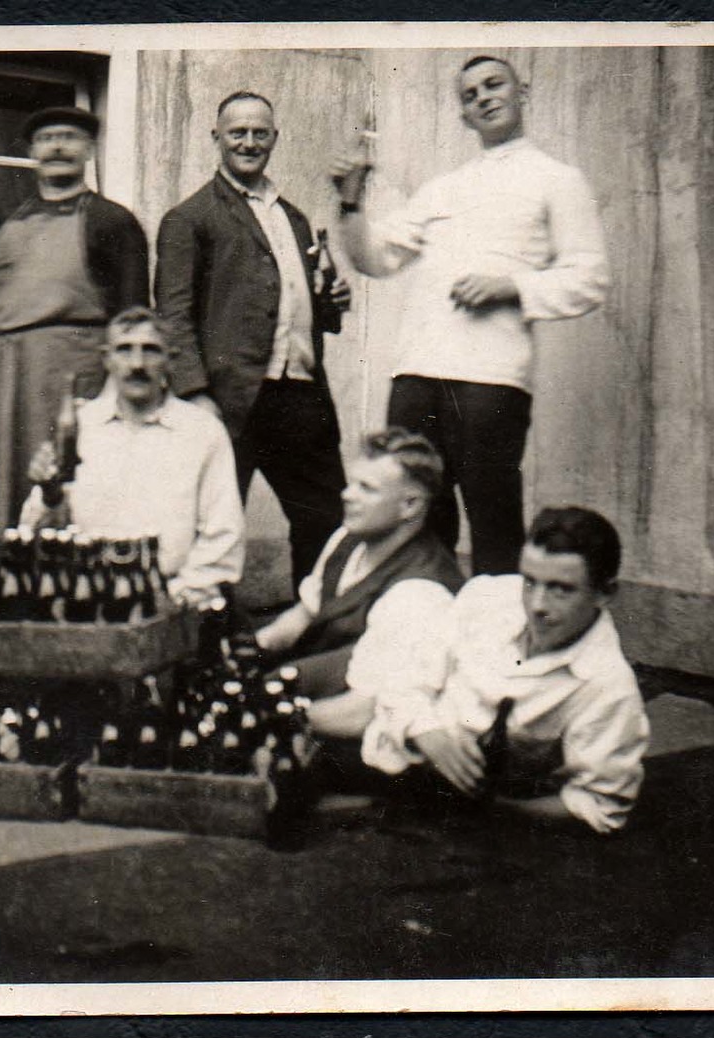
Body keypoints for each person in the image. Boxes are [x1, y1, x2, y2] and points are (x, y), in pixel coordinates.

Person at [331, 56, 610, 576]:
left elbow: (589, 278)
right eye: (470, 94)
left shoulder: (557, 179)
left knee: (492, 515)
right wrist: (350, 207)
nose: (483, 97)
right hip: (418, 373)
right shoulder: (443, 188)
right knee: (415, 513)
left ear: (521, 91)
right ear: (462, 114)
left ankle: (492, 641)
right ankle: (423, 629)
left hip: (491, 377)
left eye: (493, 85)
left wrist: (512, 287)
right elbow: (377, 258)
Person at [317, 506, 649, 835]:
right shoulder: (490, 596)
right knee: (297, 746)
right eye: (530, 582)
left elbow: (597, 807)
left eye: (561, 589)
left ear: (605, 593)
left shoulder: (609, 686)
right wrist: (424, 729)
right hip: (399, 737)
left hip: (479, 804)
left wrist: (494, 810)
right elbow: (410, 675)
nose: (537, 605)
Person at [158, 90, 352, 589]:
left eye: (259, 133)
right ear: (216, 138)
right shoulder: (190, 217)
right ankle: (209, 648)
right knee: (214, 531)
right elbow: (173, 315)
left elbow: (303, 307)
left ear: (274, 139)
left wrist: (332, 298)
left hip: (301, 395)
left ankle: (309, 641)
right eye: (237, 132)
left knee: (325, 523)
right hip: (229, 401)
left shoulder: (295, 217)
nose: (248, 142)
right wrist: (196, 395)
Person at [0, 105, 151, 532]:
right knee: (0, 488)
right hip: (1, 379)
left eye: (69, 136)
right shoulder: (7, 223)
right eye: (46, 138)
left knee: (67, 486)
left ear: (90, 149)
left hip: (71, 378)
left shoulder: (112, 220)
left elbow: (134, 316)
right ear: (33, 151)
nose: (57, 146)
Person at [19, 307, 245, 606]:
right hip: (86, 598)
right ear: (106, 359)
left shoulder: (202, 432)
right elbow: (37, 537)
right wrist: (50, 495)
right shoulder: (79, 427)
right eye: (124, 350)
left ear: (170, 360)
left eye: (151, 351)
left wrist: (177, 597)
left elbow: (223, 535)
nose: (137, 364)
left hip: (175, 600)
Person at [254, 427, 464, 700]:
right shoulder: (347, 538)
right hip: (310, 688)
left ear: (410, 505)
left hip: (359, 713)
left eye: (366, 488)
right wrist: (257, 646)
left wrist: (270, 688)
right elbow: (306, 613)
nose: (346, 495)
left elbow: (370, 690)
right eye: (352, 483)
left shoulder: (423, 588)